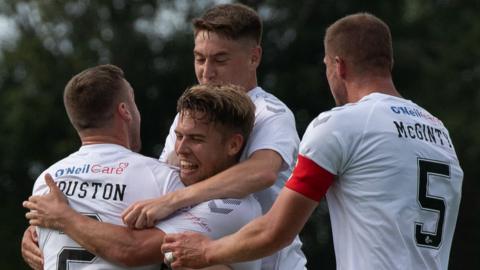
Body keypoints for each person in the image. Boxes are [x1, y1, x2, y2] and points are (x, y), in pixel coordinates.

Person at [159, 12, 464, 270]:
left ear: (338, 66)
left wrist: (206, 251)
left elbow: (277, 229)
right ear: (388, 63)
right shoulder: (439, 132)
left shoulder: (341, 123)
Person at [121, 3, 306, 270]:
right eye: (199, 58)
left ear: (254, 57)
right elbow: (164, 180)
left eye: (220, 60)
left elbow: (262, 172)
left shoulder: (271, 112)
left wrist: (172, 201)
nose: (206, 72)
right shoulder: (187, 114)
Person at [23, 64, 261, 269]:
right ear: (125, 111)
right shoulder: (161, 179)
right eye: (178, 136)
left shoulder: (46, 180)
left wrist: (64, 219)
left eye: (196, 139)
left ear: (233, 145)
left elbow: (133, 250)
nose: (180, 150)